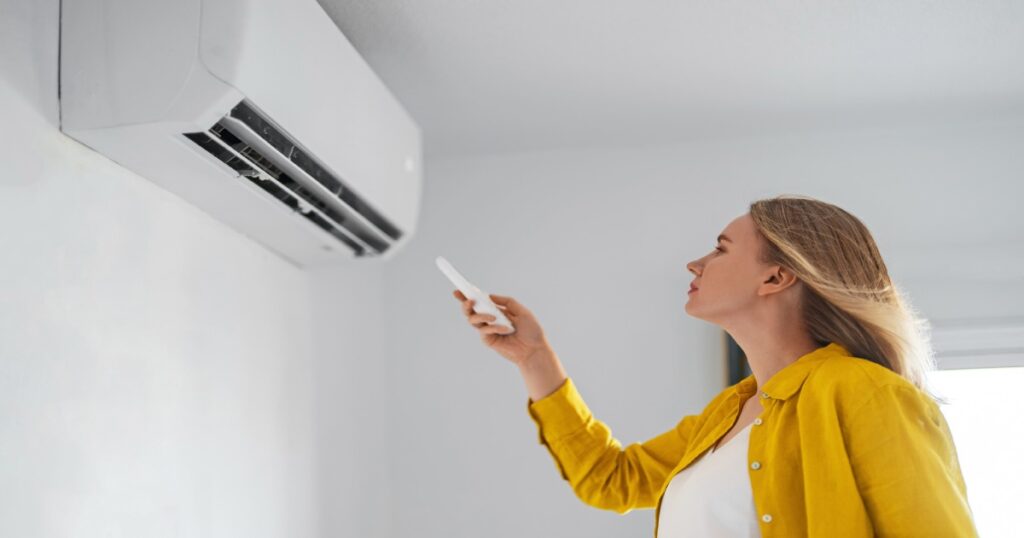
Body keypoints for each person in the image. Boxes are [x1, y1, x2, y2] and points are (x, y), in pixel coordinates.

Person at [451, 194, 978, 537]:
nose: (695, 263)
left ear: (775, 278)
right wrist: (535, 358)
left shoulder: (863, 392)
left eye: (720, 249)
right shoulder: (726, 416)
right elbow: (611, 479)